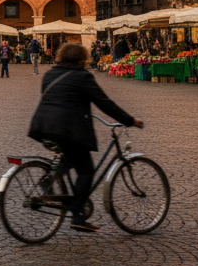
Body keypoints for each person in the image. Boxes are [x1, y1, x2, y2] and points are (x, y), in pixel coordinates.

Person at [28, 42, 142, 232]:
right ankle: (78, 215)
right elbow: (104, 103)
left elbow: (53, 98)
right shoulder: (82, 77)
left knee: (69, 156)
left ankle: (49, 180)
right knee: (86, 170)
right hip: (68, 129)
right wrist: (130, 120)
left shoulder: (49, 74)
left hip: (41, 126)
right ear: (82, 59)